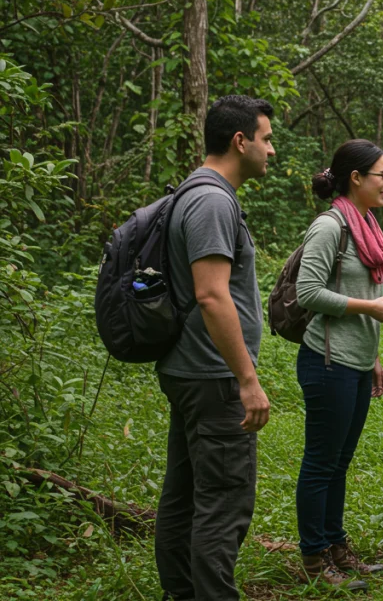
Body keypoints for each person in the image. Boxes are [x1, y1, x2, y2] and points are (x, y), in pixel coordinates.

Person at [153, 95, 274, 600]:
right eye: (266, 139)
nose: (271, 150)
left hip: (192, 371)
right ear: (239, 140)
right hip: (211, 377)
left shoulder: (197, 193)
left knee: (184, 497)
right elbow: (210, 294)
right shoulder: (211, 200)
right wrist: (247, 379)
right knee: (222, 504)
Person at [293, 139, 383, 588]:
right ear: (356, 178)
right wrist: (370, 307)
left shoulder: (366, 222)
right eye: (381, 175)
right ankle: (314, 559)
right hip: (327, 362)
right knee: (321, 462)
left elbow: (364, 295)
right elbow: (309, 292)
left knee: (340, 462)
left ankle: (337, 547)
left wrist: (375, 353)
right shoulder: (330, 226)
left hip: (358, 362)